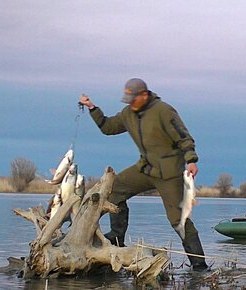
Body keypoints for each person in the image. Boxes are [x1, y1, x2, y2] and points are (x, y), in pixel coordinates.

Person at [79, 78, 208, 271]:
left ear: (144, 95)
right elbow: (108, 127)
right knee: (114, 190)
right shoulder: (128, 113)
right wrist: (92, 107)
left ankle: (199, 265)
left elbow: (184, 137)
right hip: (145, 168)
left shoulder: (164, 111)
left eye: (133, 99)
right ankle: (116, 239)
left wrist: (191, 160)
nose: (130, 103)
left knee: (178, 220)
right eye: (127, 99)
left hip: (169, 173)